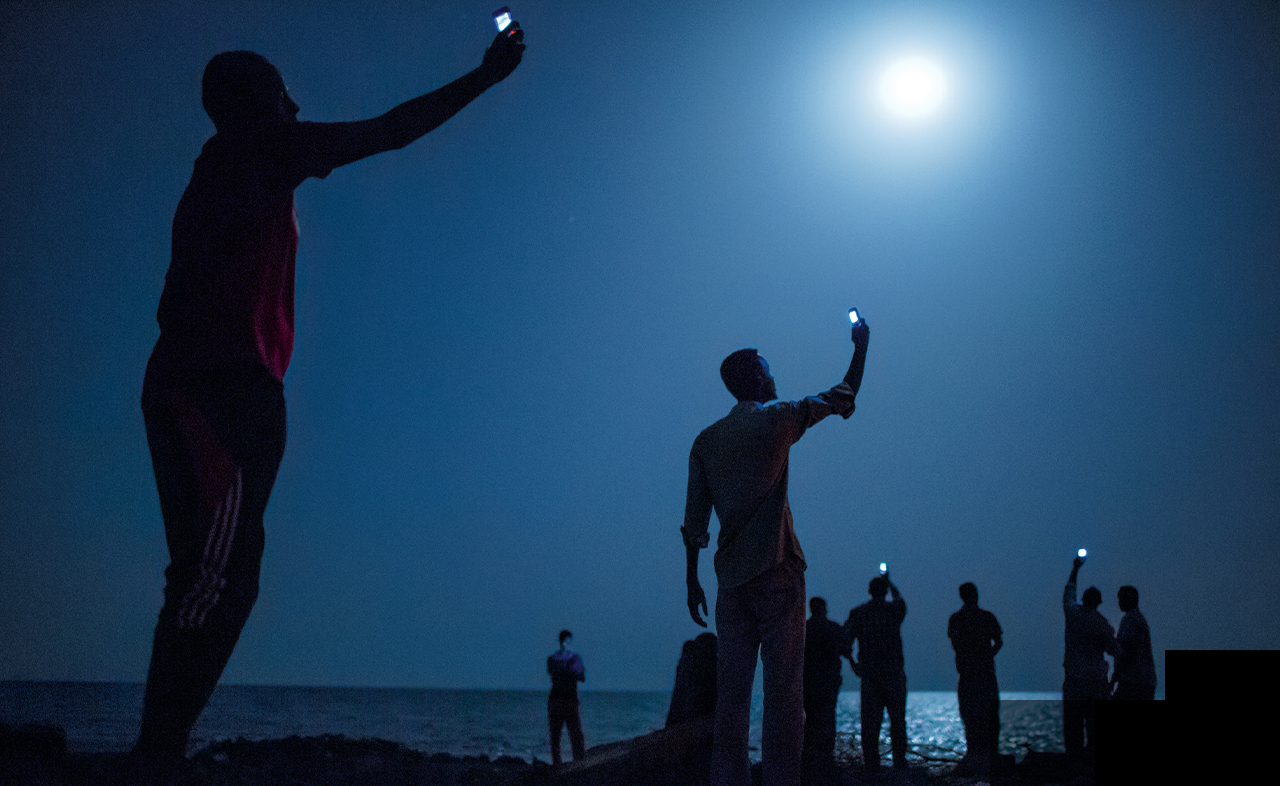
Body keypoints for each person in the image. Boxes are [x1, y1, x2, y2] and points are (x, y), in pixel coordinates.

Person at [130, 23, 525, 783]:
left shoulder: (228, 169)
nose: (297, 102)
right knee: (212, 579)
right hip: (218, 389)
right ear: (255, 102)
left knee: (218, 576)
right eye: (283, 91)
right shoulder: (254, 150)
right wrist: (485, 78)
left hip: (209, 384)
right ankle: (155, 755)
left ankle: (159, 748)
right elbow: (389, 131)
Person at [682, 318, 871, 786]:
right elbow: (844, 394)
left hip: (730, 582)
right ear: (757, 381)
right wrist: (861, 346)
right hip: (779, 571)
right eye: (768, 371)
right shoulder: (779, 418)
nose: (774, 376)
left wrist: (692, 581)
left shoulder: (706, 442)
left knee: (732, 699)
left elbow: (695, 526)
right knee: (785, 694)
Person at [845, 572, 908, 772]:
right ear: (884, 591)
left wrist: (853, 664)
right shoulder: (892, 611)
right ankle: (899, 761)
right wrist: (890, 582)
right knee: (897, 721)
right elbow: (900, 601)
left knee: (870, 724)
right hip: (893, 674)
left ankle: (872, 765)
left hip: (870, 675)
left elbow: (844, 641)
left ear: (870, 592)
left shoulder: (859, 613)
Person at [1062, 556, 1120, 764]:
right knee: (1094, 728)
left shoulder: (1073, 614)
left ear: (1084, 599)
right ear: (1098, 603)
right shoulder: (1102, 624)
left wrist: (1075, 569)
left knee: (1073, 727)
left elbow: (1069, 592)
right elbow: (1115, 651)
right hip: (1096, 682)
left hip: (1075, 681)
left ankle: (1073, 764)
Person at [947, 582, 1003, 776]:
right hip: (982, 674)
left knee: (971, 716)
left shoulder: (956, 619)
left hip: (971, 674)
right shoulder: (986, 617)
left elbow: (955, 644)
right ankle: (988, 756)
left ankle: (978, 756)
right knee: (986, 716)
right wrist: (987, 655)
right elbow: (999, 641)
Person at [802, 597, 850, 768]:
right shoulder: (833, 628)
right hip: (828, 684)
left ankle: (808, 758)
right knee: (828, 720)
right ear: (824, 608)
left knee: (808, 721)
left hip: (807, 684)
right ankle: (826, 758)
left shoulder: (803, 629)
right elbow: (845, 649)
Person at [547, 629, 586, 765]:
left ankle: (562, 763)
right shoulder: (571, 659)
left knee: (559, 735)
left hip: (560, 700)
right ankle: (577, 762)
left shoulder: (554, 659)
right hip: (566, 700)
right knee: (571, 734)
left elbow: (580, 676)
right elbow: (580, 676)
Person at [1111, 585, 1156, 700]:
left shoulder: (1131, 620)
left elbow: (1128, 651)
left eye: (1121, 598)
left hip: (1135, 681)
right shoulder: (1136, 619)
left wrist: (1115, 676)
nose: (1119, 602)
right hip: (1140, 680)